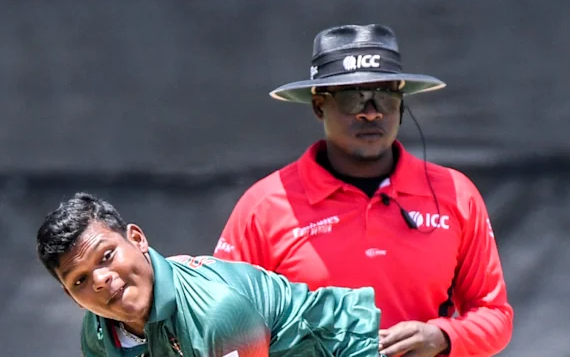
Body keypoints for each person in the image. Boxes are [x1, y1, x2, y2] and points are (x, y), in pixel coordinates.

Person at [212, 24, 513, 357]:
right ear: (318, 106)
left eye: (384, 95)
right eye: (353, 97)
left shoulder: (456, 194)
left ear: (401, 104)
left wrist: (442, 335)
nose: (371, 112)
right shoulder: (264, 205)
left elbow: (495, 315)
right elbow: (219, 320)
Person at [36, 192, 383, 357]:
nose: (99, 280)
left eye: (107, 256)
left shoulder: (217, 311)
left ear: (138, 239)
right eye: (79, 280)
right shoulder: (98, 336)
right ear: (72, 298)